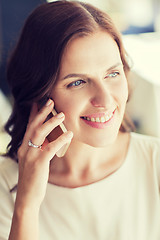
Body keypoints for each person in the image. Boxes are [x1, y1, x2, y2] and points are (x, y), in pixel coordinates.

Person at [0, 1, 160, 240]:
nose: (105, 99)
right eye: (77, 82)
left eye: (112, 73)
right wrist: (26, 206)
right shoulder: (5, 183)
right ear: (41, 94)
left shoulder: (154, 164)